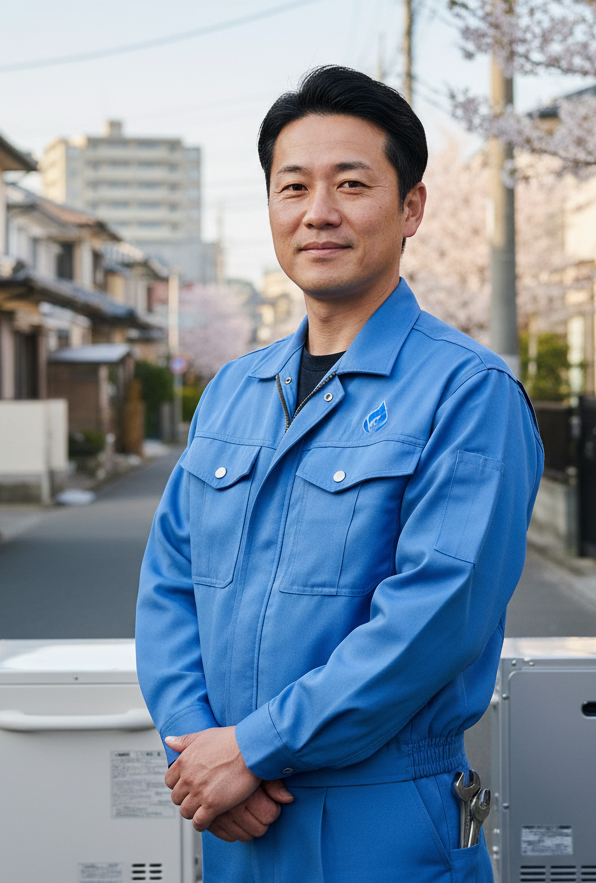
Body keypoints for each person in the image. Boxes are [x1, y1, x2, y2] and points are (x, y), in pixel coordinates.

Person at [135, 65, 543, 882]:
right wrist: (199, 746)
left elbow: (436, 616)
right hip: (231, 815)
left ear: (411, 207)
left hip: (382, 817)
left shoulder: (468, 391)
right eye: (294, 187)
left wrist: (255, 748)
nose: (318, 212)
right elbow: (169, 584)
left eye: (351, 184)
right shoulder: (233, 392)